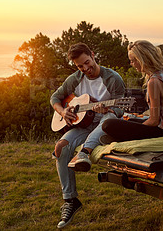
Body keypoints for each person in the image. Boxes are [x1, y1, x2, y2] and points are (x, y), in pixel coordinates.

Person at [50, 42, 125, 229]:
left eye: (87, 62)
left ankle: (84, 152)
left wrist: (107, 107)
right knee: (61, 147)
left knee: (108, 118)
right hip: (84, 125)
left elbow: (121, 109)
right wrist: (62, 113)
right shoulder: (75, 79)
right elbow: (55, 98)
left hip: (105, 125)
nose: (85, 69)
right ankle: (70, 200)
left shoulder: (113, 78)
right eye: (80, 66)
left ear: (92, 54)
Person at [102, 40, 163, 143]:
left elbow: (154, 121)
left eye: (133, 60)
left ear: (142, 60)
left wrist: (137, 130)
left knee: (108, 124)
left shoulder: (154, 82)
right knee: (131, 120)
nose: (131, 64)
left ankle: (122, 139)